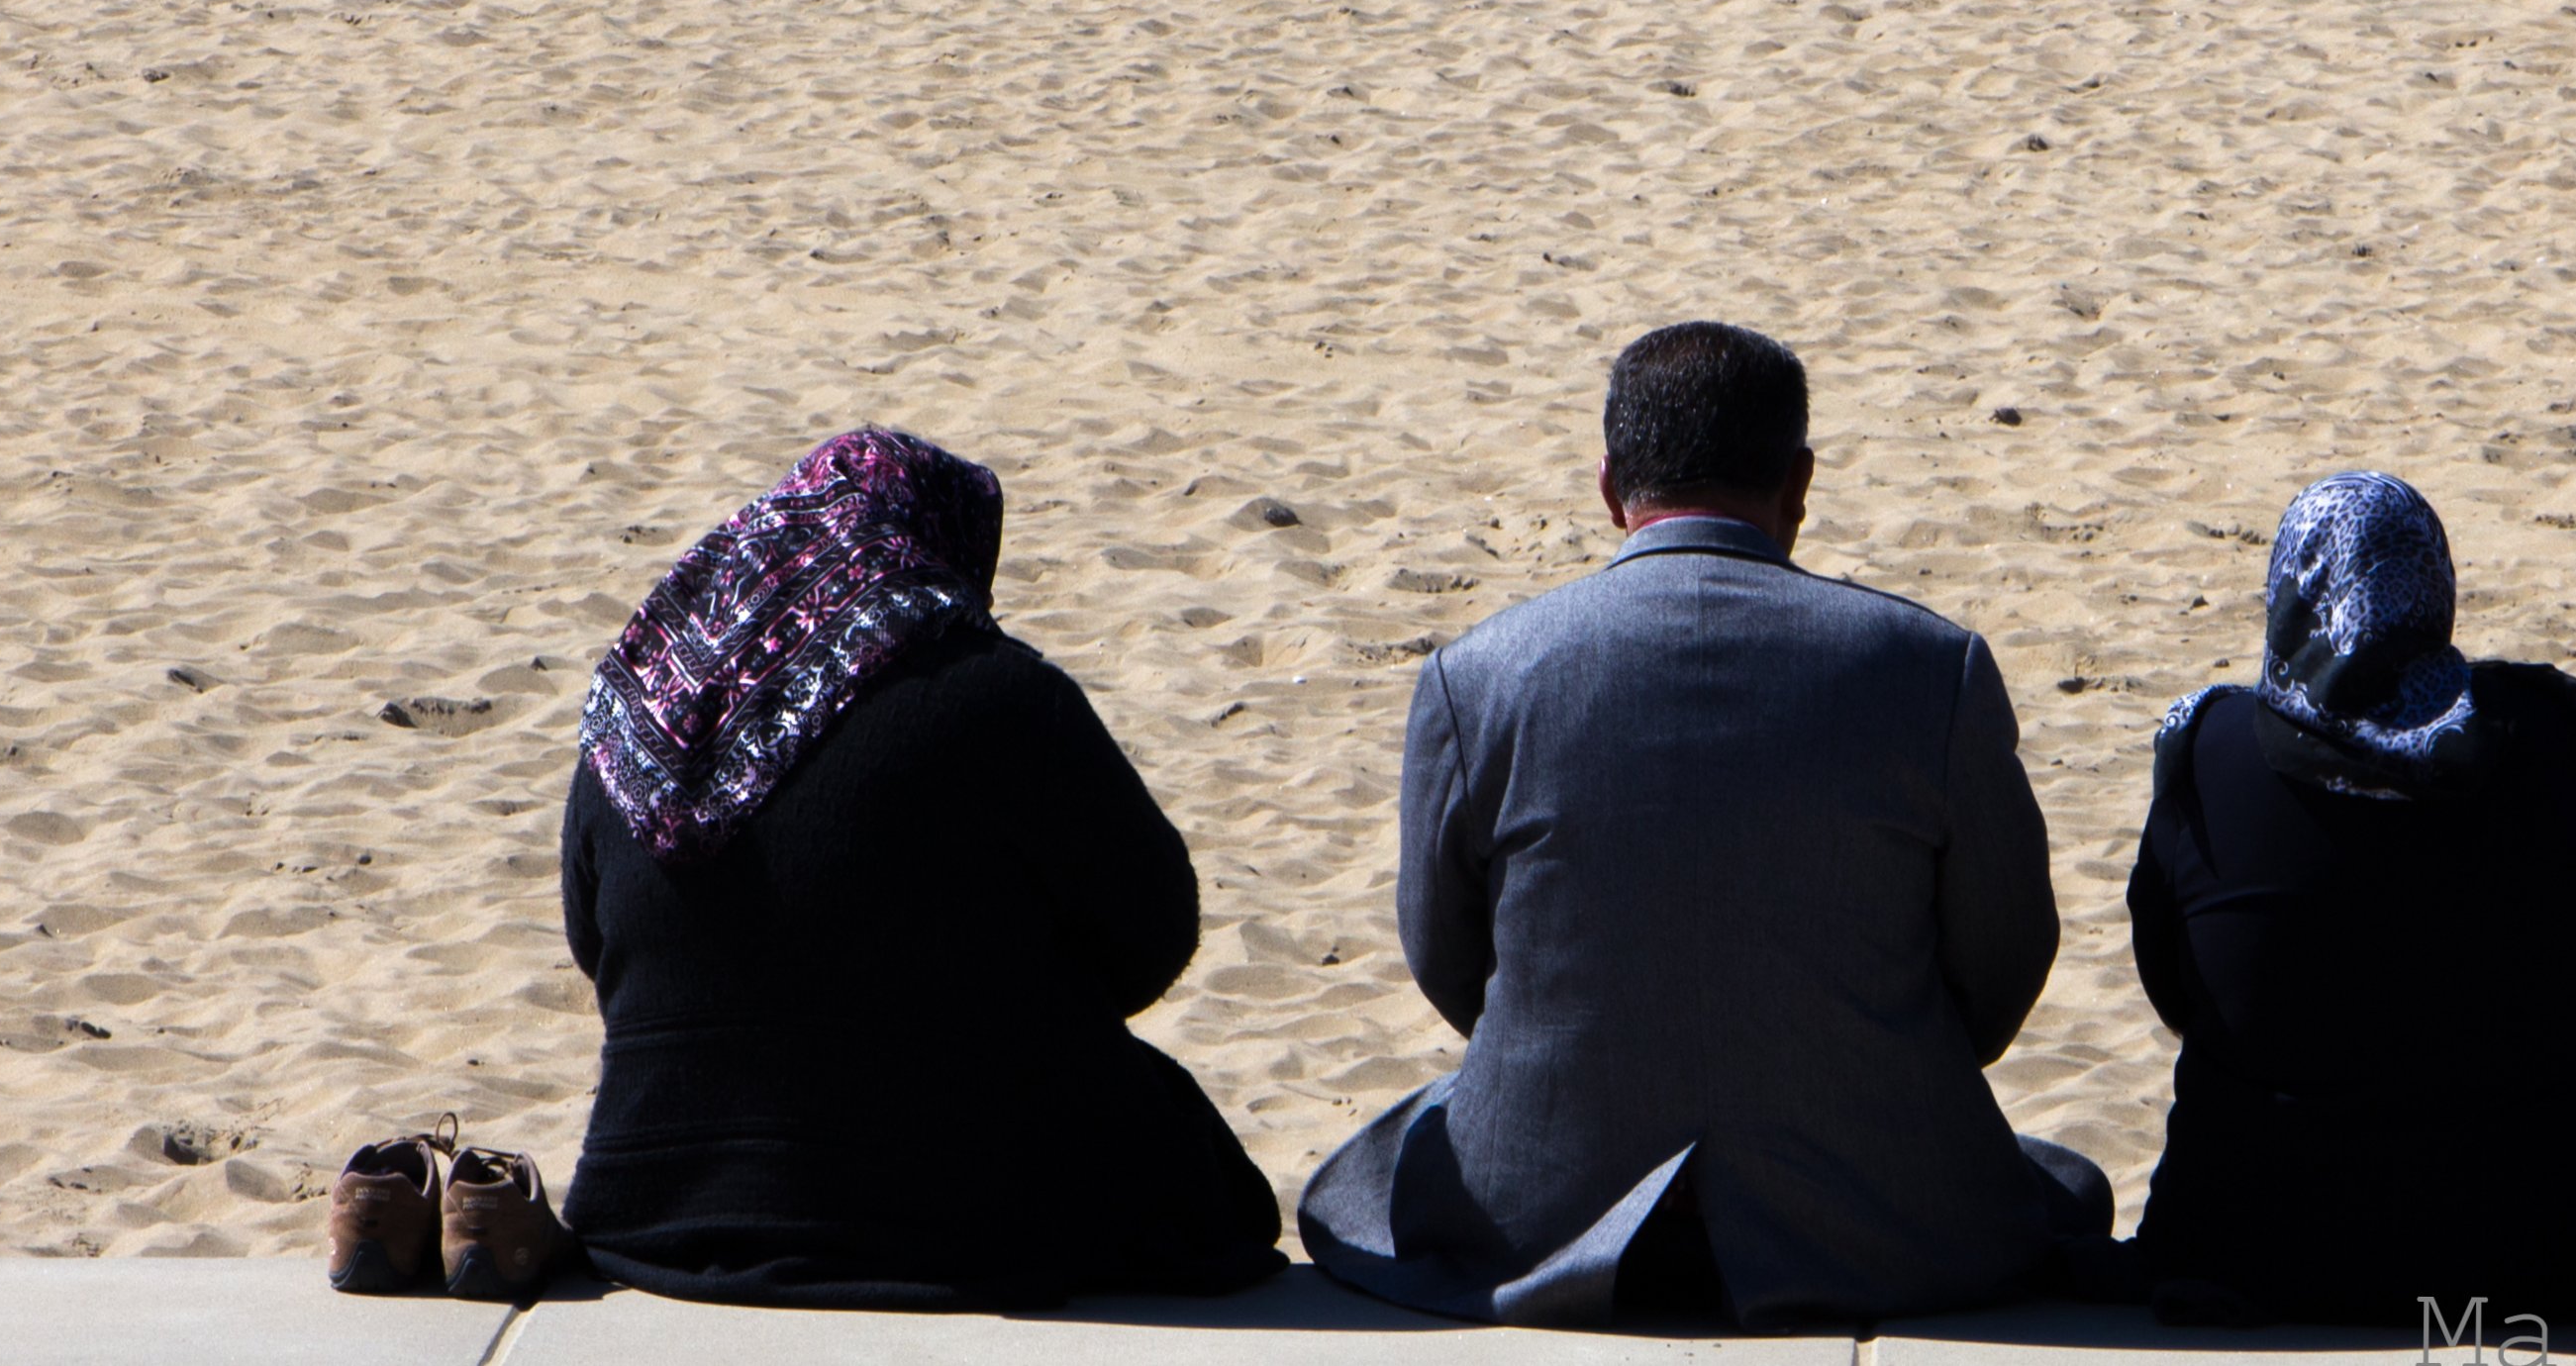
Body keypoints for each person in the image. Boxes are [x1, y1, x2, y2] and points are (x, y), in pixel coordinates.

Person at [1299, 320, 2104, 1327]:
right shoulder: (1930, 667)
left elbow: (1447, 958)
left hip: (1544, 1210)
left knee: (1386, 1159)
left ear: (1608, 487)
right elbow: (2002, 960)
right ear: (1798, 483)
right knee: (2057, 1184)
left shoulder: (1479, 674)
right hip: (1870, 1216)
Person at [558, 427, 1278, 1307]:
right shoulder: (1001, 695)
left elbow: (594, 944)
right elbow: (1151, 938)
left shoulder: (641, 706)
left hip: (659, 1200)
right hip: (959, 1212)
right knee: (1197, 1169)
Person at [2123, 471, 2576, 1325]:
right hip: (2539, 1257)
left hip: (2251, 1254)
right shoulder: (2553, 734)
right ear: (2433, 588)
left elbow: (2176, 993)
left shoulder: (2207, 748)